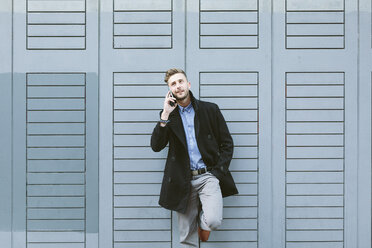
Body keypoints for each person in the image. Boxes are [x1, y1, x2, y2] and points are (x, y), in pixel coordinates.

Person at [151, 68, 238, 247]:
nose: (178, 86)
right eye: (173, 84)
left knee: (213, 220)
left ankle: (203, 224)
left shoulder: (209, 109)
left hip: (208, 176)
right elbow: (156, 146)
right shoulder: (168, 116)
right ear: (170, 91)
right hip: (182, 179)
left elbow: (227, 144)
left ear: (188, 84)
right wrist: (165, 114)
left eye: (180, 81)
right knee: (187, 238)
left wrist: (218, 173)